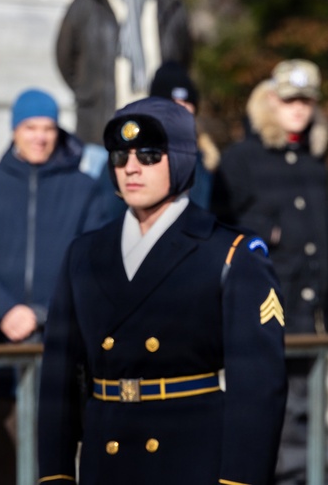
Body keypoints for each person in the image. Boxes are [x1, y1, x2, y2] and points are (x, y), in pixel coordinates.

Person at [38, 97, 287, 484]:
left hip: (189, 462)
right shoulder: (84, 254)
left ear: (183, 158)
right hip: (106, 465)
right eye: (120, 156)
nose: (131, 168)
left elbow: (257, 390)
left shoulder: (232, 253)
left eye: (150, 155)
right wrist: (55, 475)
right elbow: (58, 380)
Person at [0, 88, 107, 485]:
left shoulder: (84, 189)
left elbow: (90, 261)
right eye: (30, 127)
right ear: (14, 131)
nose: (39, 136)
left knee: (53, 460)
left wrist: (41, 311)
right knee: (0, 455)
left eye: (48, 128)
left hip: (58, 344)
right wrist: (7, 309)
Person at [213, 59, 328, 485]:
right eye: (289, 100)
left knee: (303, 414)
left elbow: (327, 241)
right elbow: (222, 229)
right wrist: (269, 231)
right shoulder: (241, 159)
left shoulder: (314, 161)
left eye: (306, 100)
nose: (299, 109)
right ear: (270, 101)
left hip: (312, 313)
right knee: (270, 412)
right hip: (266, 310)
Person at [55, 0, 194, 147]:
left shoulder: (169, 2)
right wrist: (90, 92)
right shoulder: (88, 4)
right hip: (101, 124)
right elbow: (65, 57)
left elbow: (183, 55)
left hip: (156, 123)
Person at [149, 61, 220, 210]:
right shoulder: (133, 159)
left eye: (187, 102)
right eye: (172, 102)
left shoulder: (207, 161)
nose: (181, 109)